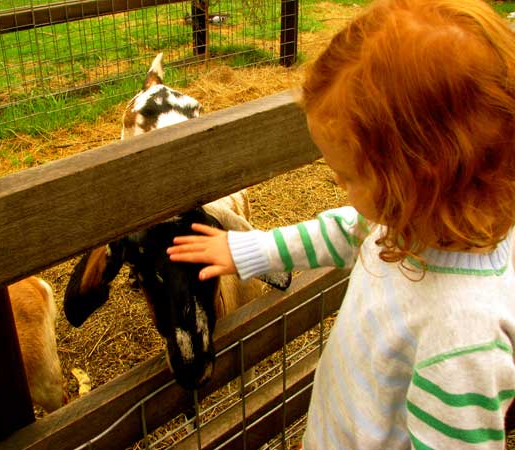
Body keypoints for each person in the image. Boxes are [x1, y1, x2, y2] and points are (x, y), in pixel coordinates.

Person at [167, 0, 515, 448]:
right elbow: (342, 232)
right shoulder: (413, 222)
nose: (335, 181)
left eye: (347, 176)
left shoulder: (462, 340)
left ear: (416, 182)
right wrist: (246, 250)